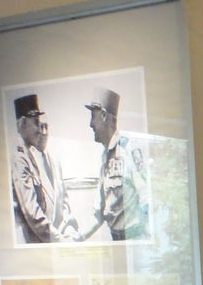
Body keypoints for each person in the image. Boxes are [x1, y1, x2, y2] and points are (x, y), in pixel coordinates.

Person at [10, 93, 79, 243]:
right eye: (36, 123)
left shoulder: (30, 155)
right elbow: (32, 213)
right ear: (23, 124)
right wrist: (59, 240)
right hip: (32, 242)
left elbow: (57, 199)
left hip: (43, 240)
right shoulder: (19, 159)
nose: (40, 130)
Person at [82, 88, 149, 241]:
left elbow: (147, 198)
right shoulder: (105, 157)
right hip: (117, 240)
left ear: (104, 115)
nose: (90, 124)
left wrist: (147, 242)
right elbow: (99, 212)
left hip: (134, 239)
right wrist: (77, 238)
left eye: (93, 117)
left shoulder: (129, 150)